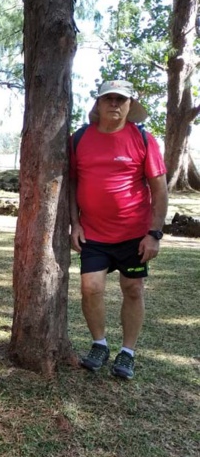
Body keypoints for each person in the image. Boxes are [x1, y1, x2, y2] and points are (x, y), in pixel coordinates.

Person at [70, 80, 168, 380]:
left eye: (120, 99)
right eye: (108, 98)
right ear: (98, 104)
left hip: (133, 235)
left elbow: (160, 190)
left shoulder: (142, 138)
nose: (114, 104)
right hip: (94, 234)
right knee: (90, 288)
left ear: (129, 105)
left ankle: (128, 352)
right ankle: (99, 343)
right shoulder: (80, 138)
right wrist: (74, 223)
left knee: (133, 290)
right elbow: (72, 183)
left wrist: (154, 233)